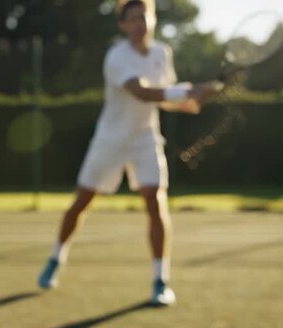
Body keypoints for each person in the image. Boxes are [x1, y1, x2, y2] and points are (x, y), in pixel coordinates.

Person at [37, 0, 222, 306]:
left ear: (153, 20)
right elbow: (142, 91)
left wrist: (193, 102)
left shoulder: (163, 53)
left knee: (155, 198)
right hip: (109, 139)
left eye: (144, 17)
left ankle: (160, 280)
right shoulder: (116, 56)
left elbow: (164, 97)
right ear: (123, 25)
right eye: (132, 19)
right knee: (82, 201)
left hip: (146, 138)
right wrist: (190, 90)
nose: (139, 23)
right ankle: (56, 257)